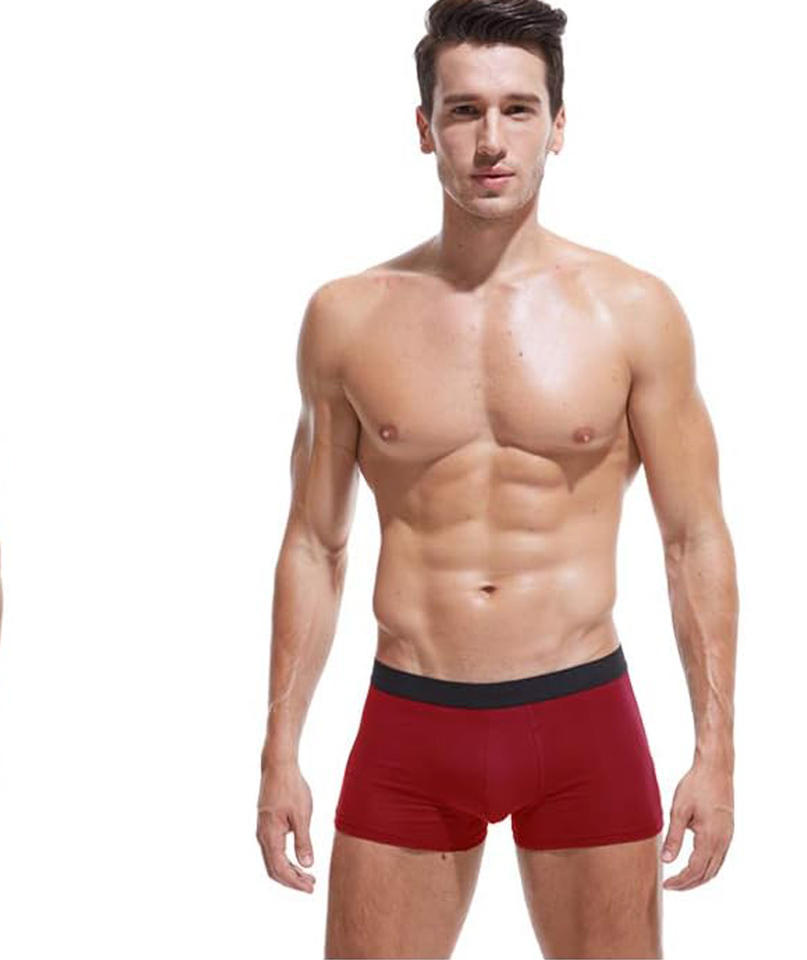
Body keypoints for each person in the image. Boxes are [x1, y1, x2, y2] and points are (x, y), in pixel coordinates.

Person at [256, 1, 738, 956]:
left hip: (582, 716)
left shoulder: (633, 312)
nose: (490, 141)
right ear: (424, 125)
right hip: (412, 716)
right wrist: (280, 750)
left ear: (558, 126)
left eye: (518, 109)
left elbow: (693, 539)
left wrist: (715, 752)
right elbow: (315, 543)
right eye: (464, 110)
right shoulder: (347, 317)